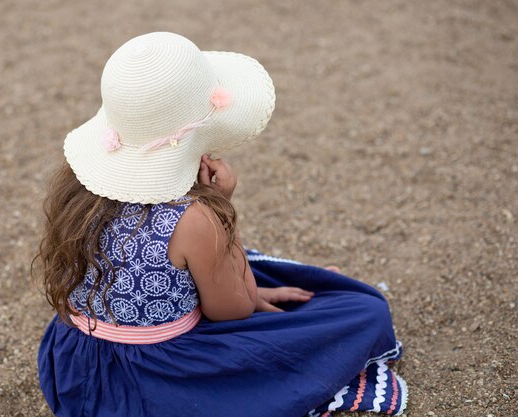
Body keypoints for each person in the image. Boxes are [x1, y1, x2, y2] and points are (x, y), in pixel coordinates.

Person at [34, 32, 408, 417]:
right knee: (366, 310)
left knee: (251, 278)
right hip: (158, 380)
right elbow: (234, 311)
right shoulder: (193, 218)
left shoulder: (77, 189)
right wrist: (222, 211)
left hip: (78, 367)